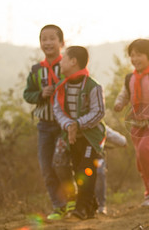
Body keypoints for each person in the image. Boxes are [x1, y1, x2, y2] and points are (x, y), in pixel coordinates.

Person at [23, 24, 75, 220]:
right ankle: (58, 206)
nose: (48, 42)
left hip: (65, 124)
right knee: (47, 166)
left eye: (52, 38)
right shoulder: (37, 70)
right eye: (43, 39)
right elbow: (27, 94)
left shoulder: (70, 65)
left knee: (63, 163)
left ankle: (72, 202)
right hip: (44, 125)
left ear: (62, 42)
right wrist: (40, 94)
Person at [53, 46, 107, 220]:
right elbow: (57, 110)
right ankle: (90, 205)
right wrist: (69, 125)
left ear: (73, 61)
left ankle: (81, 208)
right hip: (72, 137)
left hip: (90, 138)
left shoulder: (93, 86)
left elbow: (98, 112)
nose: (60, 62)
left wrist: (78, 124)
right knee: (77, 170)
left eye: (63, 59)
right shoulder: (61, 87)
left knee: (87, 169)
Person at [114, 39, 149, 207]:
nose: (135, 59)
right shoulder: (130, 77)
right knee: (140, 157)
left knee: (145, 149)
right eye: (132, 55)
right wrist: (120, 103)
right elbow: (125, 94)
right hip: (137, 122)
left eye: (139, 55)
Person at [95, 126, 127, 215]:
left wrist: (123, 142)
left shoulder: (100, 126)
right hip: (83, 159)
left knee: (100, 173)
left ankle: (101, 205)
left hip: (98, 158)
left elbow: (112, 135)